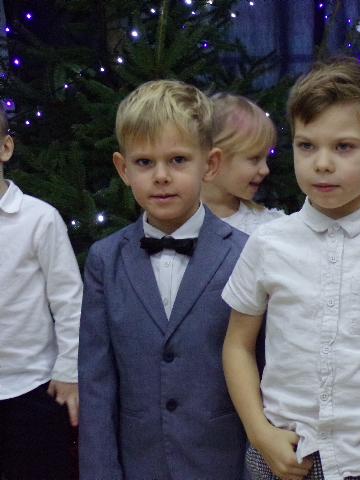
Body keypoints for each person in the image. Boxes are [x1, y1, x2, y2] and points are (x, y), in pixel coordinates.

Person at [222, 57, 360, 480]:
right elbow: (238, 345)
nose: (322, 163)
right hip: (283, 455)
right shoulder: (268, 242)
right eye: (307, 146)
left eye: (343, 147)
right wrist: (259, 433)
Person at [78, 79, 248, 479]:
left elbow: (262, 373)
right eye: (144, 163)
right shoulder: (104, 259)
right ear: (123, 168)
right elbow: (97, 385)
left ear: (210, 164)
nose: (161, 176)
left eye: (178, 160)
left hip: (221, 465)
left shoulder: (245, 254)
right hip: (140, 466)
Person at [0, 108, 83, 479]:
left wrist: (69, 371)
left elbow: (69, 300)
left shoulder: (39, 218)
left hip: (33, 387)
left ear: (5, 148)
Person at [201, 93, 284, 234]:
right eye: (254, 158)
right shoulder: (171, 221)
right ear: (212, 161)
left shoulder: (268, 228)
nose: (265, 170)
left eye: (266, 158)